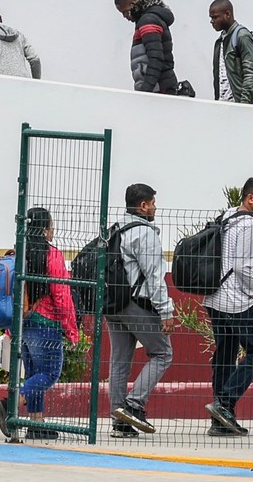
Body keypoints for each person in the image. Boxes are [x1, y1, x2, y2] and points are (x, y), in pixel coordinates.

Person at [204, 177, 253, 437]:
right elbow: (245, 267)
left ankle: (220, 420)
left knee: (226, 353)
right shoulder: (251, 226)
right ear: (250, 199)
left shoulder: (228, 216)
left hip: (216, 298)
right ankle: (224, 403)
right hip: (240, 301)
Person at [105, 184, 174, 437]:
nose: (155, 207)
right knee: (162, 353)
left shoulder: (115, 229)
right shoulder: (144, 233)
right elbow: (154, 276)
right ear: (143, 205)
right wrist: (165, 310)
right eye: (153, 203)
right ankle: (134, 405)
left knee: (119, 360)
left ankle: (119, 420)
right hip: (136, 303)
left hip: (113, 303)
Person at [18, 206, 79, 439]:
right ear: (45, 230)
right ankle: (11, 404)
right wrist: (71, 329)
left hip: (24, 320)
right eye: (51, 227)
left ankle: (37, 424)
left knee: (34, 372)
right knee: (51, 373)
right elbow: (62, 295)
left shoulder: (19, 252)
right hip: (47, 321)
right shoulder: (51, 255)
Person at [115, 0, 181, 95]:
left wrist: (146, 91)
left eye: (125, 12)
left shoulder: (147, 21)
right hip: (158, 87)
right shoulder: (147, 19)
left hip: (158, 89)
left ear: (132, 5)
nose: (124, 17)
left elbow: (156, 58)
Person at [209, 0, 253, 105]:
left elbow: (250, 73)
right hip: (224, 104)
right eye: (211, 18)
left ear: (227, 14)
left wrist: (244, 104)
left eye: (215, 17)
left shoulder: (242, 36)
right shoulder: (220, 40)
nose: (212, 21)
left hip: (241, 105)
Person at [0, 9, 41, 78]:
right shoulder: (19, 36)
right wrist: (36, 82)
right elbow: (35, 59)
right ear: (0, 20)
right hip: (23, 84)